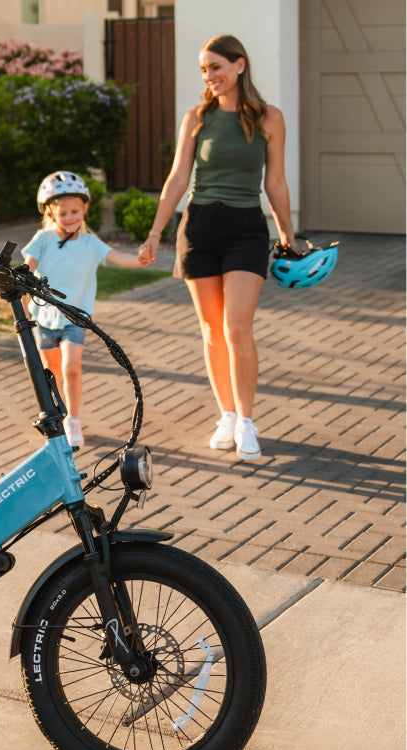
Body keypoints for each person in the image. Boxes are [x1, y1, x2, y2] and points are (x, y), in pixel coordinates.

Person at [137, 34, 300, 463]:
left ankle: (247, 420)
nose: (210, 77)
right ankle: (225, 414)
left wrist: (288, 234)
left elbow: (276, 182)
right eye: (204, 70)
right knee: (211, 330)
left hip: (247, 227)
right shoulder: (196, 117)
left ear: (240, 66)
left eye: (216, 68)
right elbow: (176, 179)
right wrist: (156, 232)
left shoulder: (269, 118)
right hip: (200, 227)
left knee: (237, 328)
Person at [23, 171, 144, 448]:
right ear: (50, 213)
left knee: (71, 367)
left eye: (75, 211)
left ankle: (73, 420)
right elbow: (25, 273)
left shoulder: (91, 243)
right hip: (44, 318)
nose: (69, 217)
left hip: (74, 319)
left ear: (85, 209)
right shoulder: (42, 239)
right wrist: (22, 304)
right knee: (50, 371)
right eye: (62, 213)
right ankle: (54, 417)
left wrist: (140, 259)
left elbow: (117, 257)